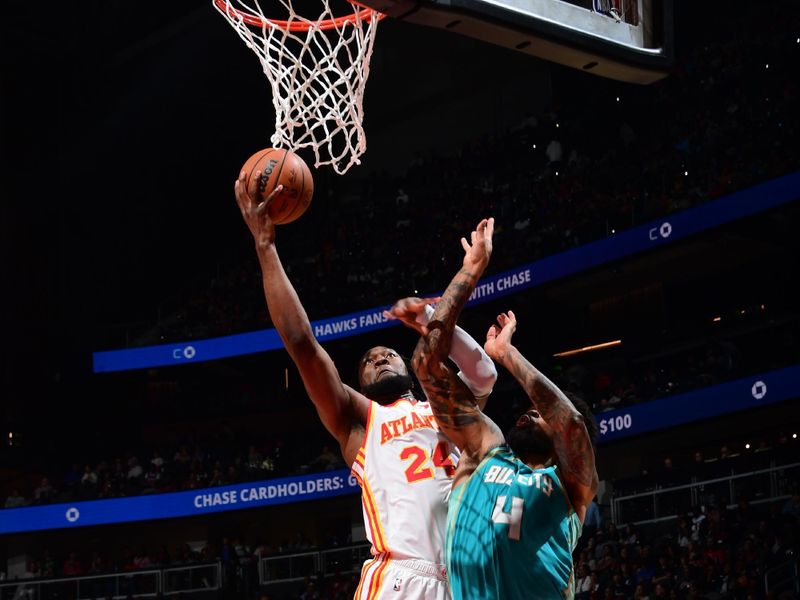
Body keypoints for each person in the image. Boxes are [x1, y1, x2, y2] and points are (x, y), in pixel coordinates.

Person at [234, 171, 496, 598]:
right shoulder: (359, 419)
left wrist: (439, 309)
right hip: (401, 578)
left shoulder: (444, 406)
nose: (379, 358)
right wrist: (265, 246)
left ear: (410, 367)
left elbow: (484, 372)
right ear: (358, 383)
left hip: (469, 581)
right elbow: (302, 344)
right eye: (368, 361)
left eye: (387, 353)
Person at [405, 217, 599, 599]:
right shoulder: (484, 450)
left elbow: (571, 424)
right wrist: (469, 271)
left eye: (539, 414)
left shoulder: (571, 488)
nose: (527, 413)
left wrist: (508, 355)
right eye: (529, 409)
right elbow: (426, 365)